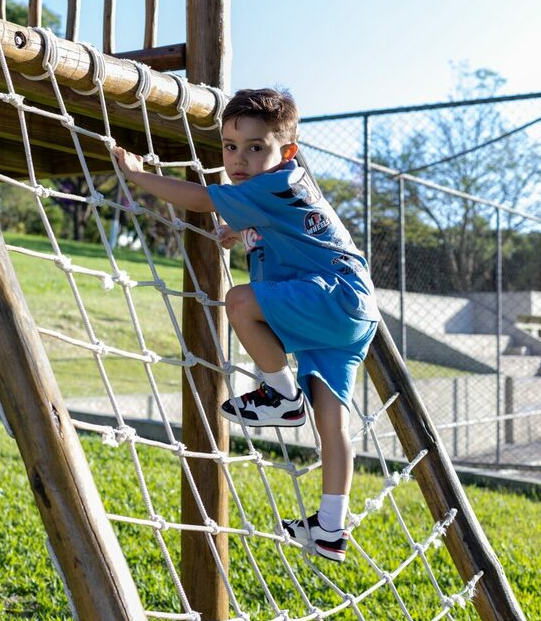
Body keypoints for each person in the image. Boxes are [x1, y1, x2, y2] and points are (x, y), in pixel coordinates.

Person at [113, 87, 379, 563]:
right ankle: (330, 528)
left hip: (334, 297)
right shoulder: (282, 188)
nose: (239, 159)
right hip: (353, 315)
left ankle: (280, 395)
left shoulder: (270, 186)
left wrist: (138, 175)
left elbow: (199, 198)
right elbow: (284, 229)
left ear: (287, 152)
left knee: (239, 302)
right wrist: (244, 231)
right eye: (231, 147)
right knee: (333, 423)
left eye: (256, 147)